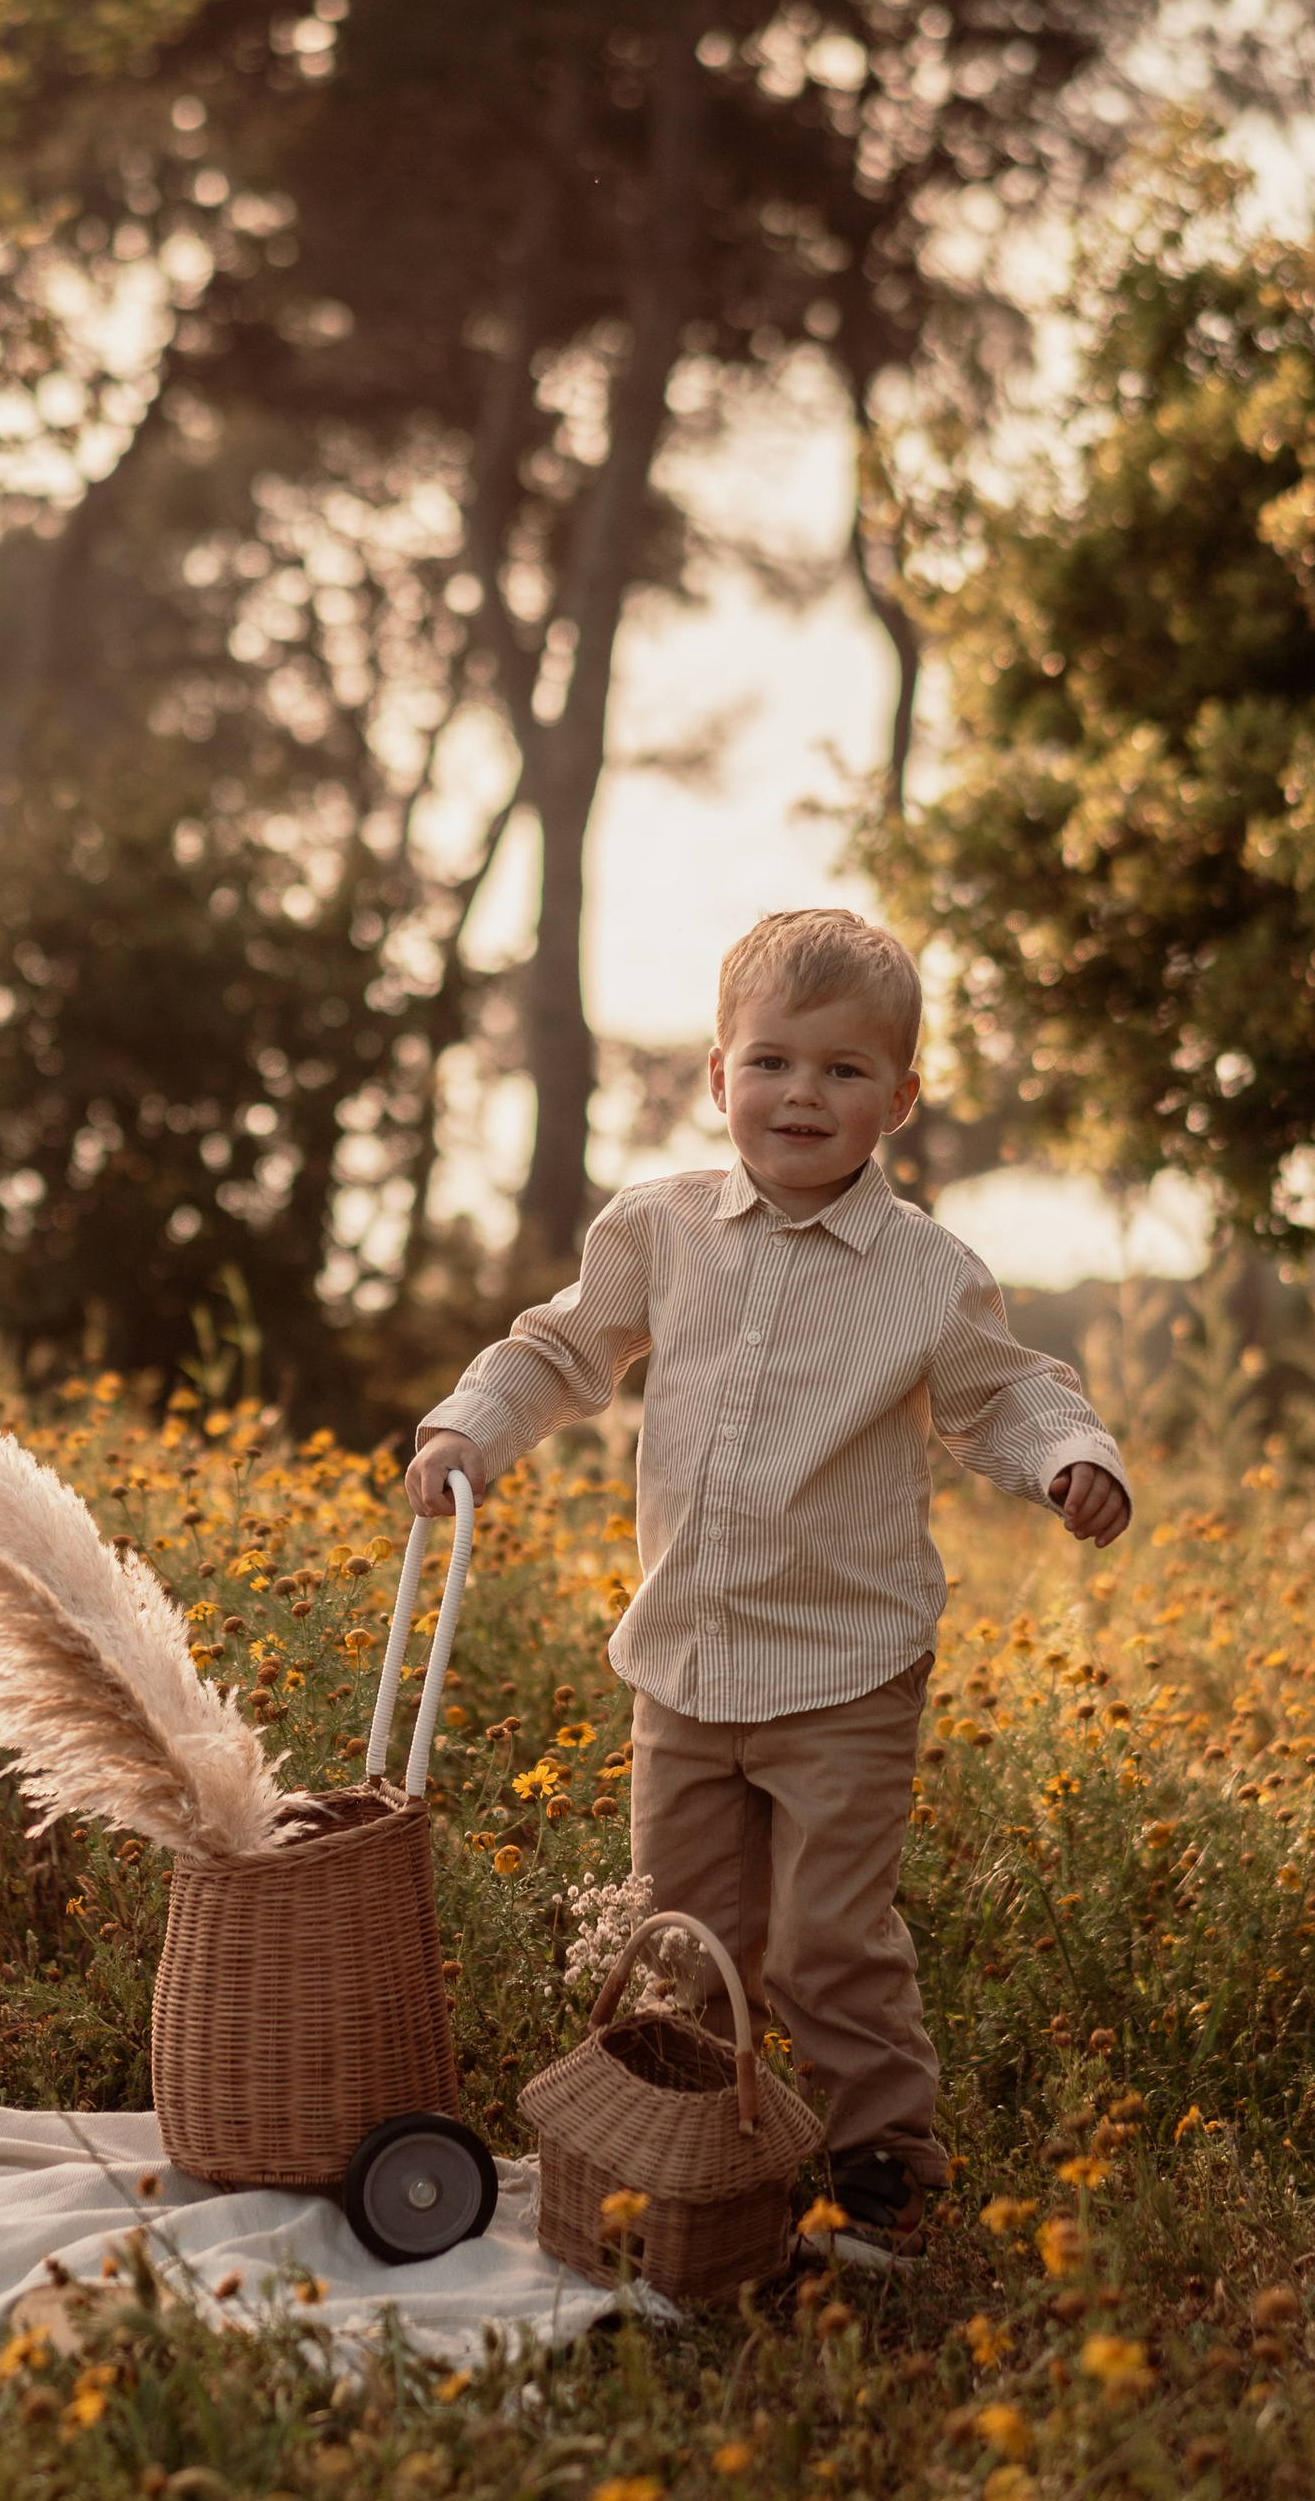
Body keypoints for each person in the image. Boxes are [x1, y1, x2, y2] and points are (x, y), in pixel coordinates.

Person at [406, 907, 1130, 2268]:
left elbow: (1006, 1395)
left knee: (826, 1941)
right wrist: (471, 1429)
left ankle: (882, 2171)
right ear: (718, 1074)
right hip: (685, 1660)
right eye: (774, 1062)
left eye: (845, 1070)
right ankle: (689, 2157)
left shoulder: (927, 1273)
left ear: (899, 1100)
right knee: (680, 1939)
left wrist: (1069, 1458)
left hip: (846, 1671)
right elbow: (563, 1348)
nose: (804, 1094)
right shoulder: (662, 1229)